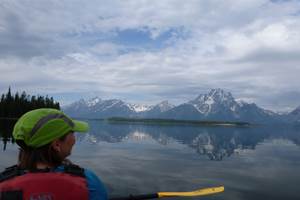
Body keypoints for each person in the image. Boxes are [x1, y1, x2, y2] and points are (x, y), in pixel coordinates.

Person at [0, 108, 108, 200]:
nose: (74, 140)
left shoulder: (3, 182)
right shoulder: (89, 182)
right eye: (72, 133)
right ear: (56, 145)